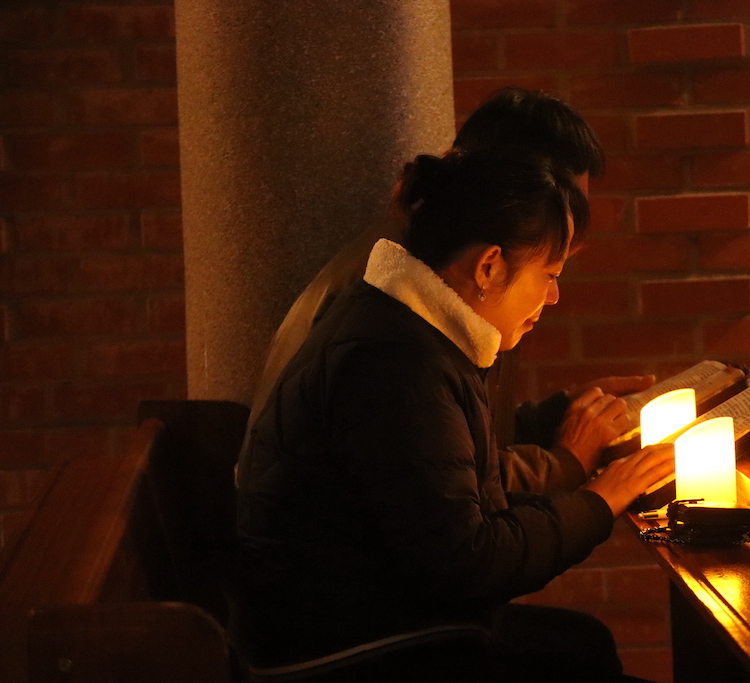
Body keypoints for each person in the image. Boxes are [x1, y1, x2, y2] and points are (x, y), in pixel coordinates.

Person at [233, 150, 675, 682]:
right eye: (549, 274)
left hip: (366, 622)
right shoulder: (395, 361)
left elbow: (448, 481)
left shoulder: (405, 327)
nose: (554, 296)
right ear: (489, 266)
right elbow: (469, 562)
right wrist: (601, 501)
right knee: (580, 655)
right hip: (347, 652)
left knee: (584, 644)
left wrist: (565, 428)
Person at [242, 87, 655, 499]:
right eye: (560, 201)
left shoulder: (449, 276)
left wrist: (559, 416)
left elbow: (452, 434)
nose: (570, 229)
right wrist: (571, 464)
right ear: (509, 187)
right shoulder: (397, 293)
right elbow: (433, 475)